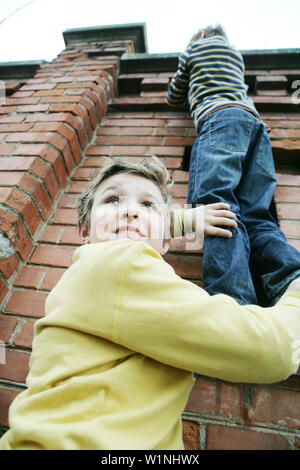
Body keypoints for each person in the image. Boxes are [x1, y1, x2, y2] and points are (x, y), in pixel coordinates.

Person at [0, 156, 299, 451]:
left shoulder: (92, 278)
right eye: (112, 200)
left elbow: (134, 224)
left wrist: (183, 220)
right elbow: (270, 350)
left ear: (167, 240)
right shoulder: (118, 263)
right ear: (83, 231)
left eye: (147, 206)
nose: (130, 212)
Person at [166, 24, 300, 306]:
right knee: (258, 217)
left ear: (201, 35)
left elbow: (174, 92)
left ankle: (232, 301)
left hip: (218, 118)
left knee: (216, 208)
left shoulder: (196, 47)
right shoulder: (235, 56)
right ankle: (292, 282)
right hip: (255, 127)